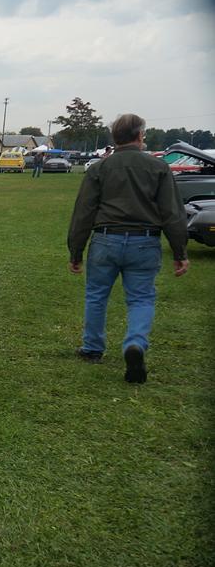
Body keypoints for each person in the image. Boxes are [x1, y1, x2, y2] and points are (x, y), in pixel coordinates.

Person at [67, 113, 190, 383]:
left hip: (105, 239)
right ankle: (134, 343)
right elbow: (172, 212)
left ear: (115, 138)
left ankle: (92, 348)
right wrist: (179, 251)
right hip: (145, 242)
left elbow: (84, 212)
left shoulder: (99, 168)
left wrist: (76, 251)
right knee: (141, 298)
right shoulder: (158, 168)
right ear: (139, 136)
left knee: (96, 296)